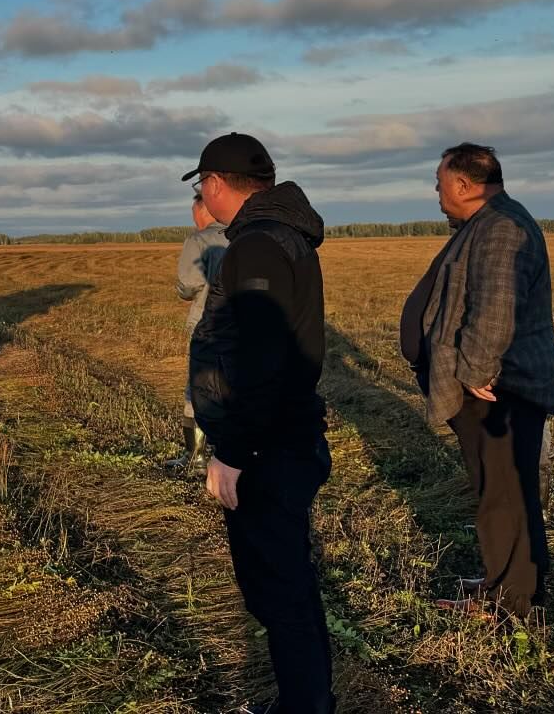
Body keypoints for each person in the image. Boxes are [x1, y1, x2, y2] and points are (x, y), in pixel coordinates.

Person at [185, 132, 334, 714]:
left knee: (278, 589)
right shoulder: (284, 236)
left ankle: (305, 705)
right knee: (285, 584)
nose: (203, 194)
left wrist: (234, 454)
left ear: (217, 184)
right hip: (285, 438)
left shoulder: (256, 247)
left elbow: (262, 360)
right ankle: (307, 699)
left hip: (268, 449)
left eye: (201, 185)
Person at [399, 143, 554, 618]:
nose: (436, 192)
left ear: (464, 185)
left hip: (499, 389)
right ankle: (511, 584)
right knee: (502, 492)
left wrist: (473, 371)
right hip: (494, 386)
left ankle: (511, 604)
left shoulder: (501, 228)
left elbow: (495, 309)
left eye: (439, 182)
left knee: (504, 496)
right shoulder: (488, 222)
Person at [167, 190, 228, 472]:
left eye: (194, 211)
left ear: (203, 209)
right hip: (241, 327)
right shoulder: (242, 235)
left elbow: (187, 286)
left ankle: (196, 457)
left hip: (206, 324)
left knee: (198, 388)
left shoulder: (198, 240)